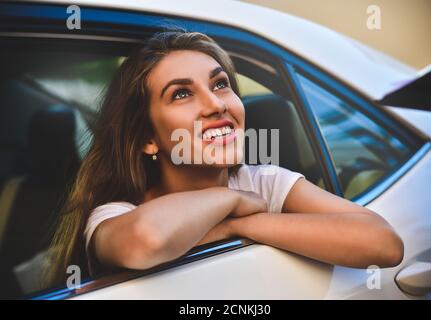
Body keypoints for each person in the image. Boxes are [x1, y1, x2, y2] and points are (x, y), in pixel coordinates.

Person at [46, 30, 404, 287]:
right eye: (182, 93)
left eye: (220, 84)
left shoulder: (262, 182)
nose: (217, 104)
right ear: (147, 139)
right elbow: (147, 241)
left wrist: (235, 226)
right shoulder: (116, 214)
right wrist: (230, 200)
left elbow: (383, 243)